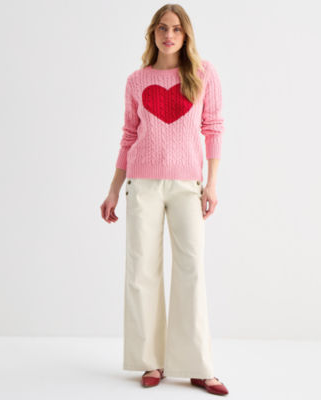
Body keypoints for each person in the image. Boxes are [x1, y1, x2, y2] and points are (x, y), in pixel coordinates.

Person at [100, 4, 228, 396]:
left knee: (191, 270)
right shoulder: (137, 81)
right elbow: (128, 135)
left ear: (185, 35)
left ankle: (197, 366)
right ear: (152, 34)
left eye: (175, 29)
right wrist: (113, 189)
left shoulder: (203, 73)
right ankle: (150, 361)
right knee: (142, 270)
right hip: (142, 184)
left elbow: (213, 127)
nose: (168, 35)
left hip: (188, 186)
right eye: (161, 28)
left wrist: (212, 184)